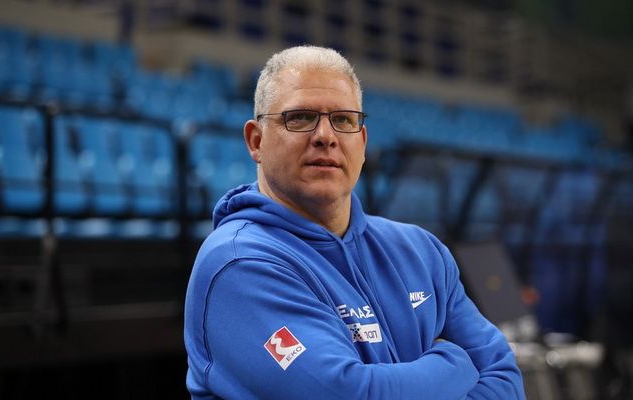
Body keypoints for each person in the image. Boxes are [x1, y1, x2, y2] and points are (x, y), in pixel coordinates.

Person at [184, 45, 526, 399]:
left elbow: (505, 378)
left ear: (362, 142)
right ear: (256, 141)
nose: (325, 136)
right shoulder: (240, 264)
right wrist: (454, 362)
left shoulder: (422, 252)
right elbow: (346, 394)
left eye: (344, 120)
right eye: (300, 117)